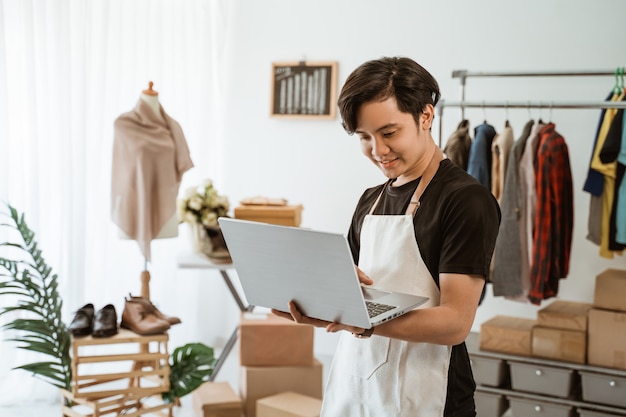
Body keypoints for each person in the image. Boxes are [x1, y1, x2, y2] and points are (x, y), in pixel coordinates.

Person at [272, 57, 501, 416]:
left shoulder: (465, 200)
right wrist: (314, 301)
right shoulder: (369, 200)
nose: (378, 150)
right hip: (356, 387)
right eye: (364, 137)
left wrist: (362, 323)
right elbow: (351, 295)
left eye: (389, 133)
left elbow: (455, 322)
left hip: (428, 396)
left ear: (425, 116)